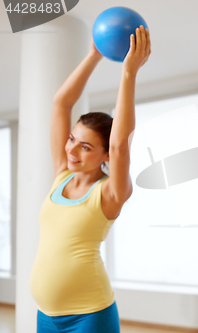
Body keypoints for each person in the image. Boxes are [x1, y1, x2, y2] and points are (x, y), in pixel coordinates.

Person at [29, 26, 151, 332]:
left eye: (86, 147)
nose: (71, 150)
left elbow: (121, 142)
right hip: (45, 315)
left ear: (105, 155)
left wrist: (128, 73)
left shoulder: (110, 192)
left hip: (90, 316)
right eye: (72, 139)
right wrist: (94, 54)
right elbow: (61, 104)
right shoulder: (62, 174)